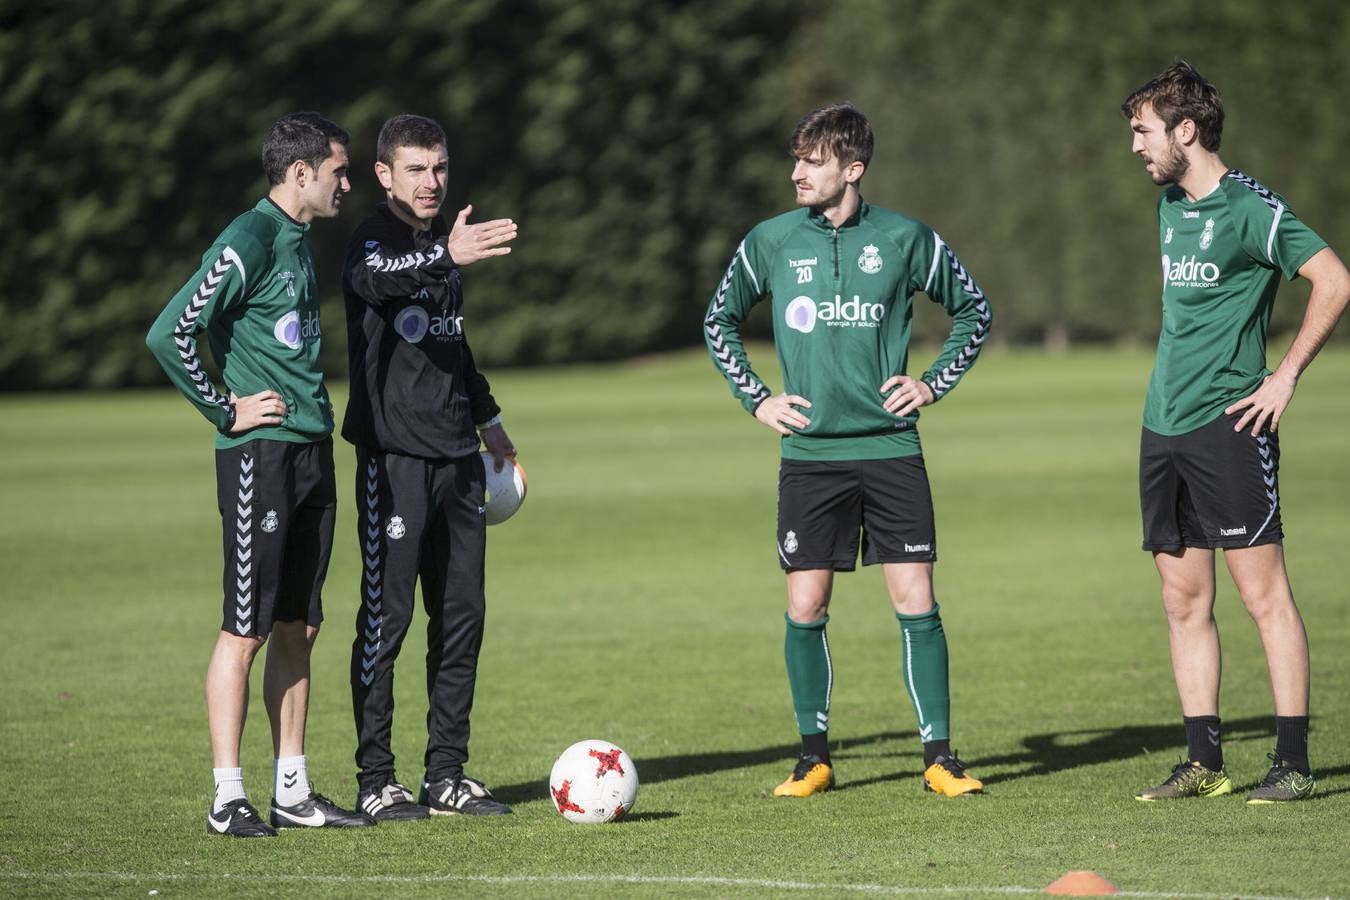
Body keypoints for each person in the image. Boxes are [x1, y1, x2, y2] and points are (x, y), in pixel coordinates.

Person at [704, 103, 992, 798]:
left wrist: (930, 386)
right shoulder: (771, 240)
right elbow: (719, 320)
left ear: (852, 169)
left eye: (813, 161)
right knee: (805, 604)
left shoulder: (904, 238)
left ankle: (940, 760)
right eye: (797, 158)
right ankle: (814, 759)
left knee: (915, 597)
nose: (797, 171)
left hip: (891, 448)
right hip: (810, 457)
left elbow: (974, 310)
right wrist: (758, 398)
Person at [1122, 61, 1349, 803]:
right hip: (1164, 428)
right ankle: (1204, 762)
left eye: (1143, 131)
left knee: (1263, 598)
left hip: (1230, 425)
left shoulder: (1253, 209)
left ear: (1186, 131)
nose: (1136, 146)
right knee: (1182, 601)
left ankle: (1292, 762)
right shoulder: (1167, 208)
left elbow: (1335, 280)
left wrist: (1284, 376)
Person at [146, 113, 373, 835]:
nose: (349, 182)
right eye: (340, 170)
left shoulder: (301, 241)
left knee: (298, 626)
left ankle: (293, 790)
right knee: (244, 630)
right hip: (260, 457)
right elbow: (170, 330)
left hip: (310, 452)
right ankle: (226, 797)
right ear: (299, 173)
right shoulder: (249, 237)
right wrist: (225, 408)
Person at [342, 114, 519, 820]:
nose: (432, 181)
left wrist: (489, 418)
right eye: (416, 169)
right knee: (388, 619)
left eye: (439, 167)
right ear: (385, 174)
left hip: (458, 459)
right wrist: (447, 253)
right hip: (394, 458)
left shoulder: (441, 248)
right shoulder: (374, 240)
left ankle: (446, 774)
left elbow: (453, 344)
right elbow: (377, 280)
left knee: (461, 616)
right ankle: (374, 778)